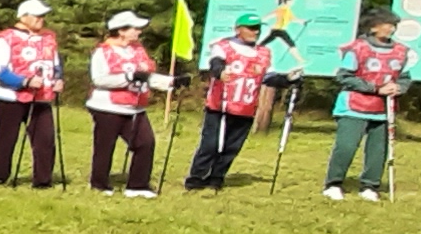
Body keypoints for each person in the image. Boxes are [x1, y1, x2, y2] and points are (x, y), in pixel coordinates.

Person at [322, 8, 410, 201]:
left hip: (383, 109)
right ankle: (334, 183)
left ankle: (370, 185)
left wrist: (399, 87)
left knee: (378, 150)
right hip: (354, 106)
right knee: (346, 146)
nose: (391, 28)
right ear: (373, 27)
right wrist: (374, 88)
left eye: (393, 25)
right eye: (386, 24)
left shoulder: (401, 51)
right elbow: (344, 76)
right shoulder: (358, 48)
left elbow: (404, 77)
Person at [184, 13, 278, 191]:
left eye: (258, 28)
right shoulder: (224, 46)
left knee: (231, 146)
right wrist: (219, 72)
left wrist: (288, 79)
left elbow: (270, 77)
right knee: (211, 144)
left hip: (246, 107)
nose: (255, 32)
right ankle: (196, 177)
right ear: (238, 29)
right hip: (221, 105)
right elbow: (215, 63)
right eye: (251, 28)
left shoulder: (263, 52)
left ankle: (217, 177)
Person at [85, 12, 166, 195]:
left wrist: (170, 83)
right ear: (121, 31)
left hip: (135, 106)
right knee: (105, 146)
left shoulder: (137, 50)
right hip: (106, 106)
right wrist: (127, 77)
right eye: (134, 28)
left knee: (145, 143)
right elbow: (99, 79)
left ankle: (138, 185)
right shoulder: (102, 52)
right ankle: (99, 184)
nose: (139, 32)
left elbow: (147, 76)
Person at [0, 0, 61, 188]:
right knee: (6, 138)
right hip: (11, 97)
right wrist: (24, 81)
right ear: (23, 17)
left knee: (45, 138)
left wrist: (58, 79)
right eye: (37, 16)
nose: (41, 20)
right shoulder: (7, 38)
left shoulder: (48, 38)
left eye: (43, 16)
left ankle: (43, 180)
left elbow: (55, 64)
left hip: (41, 97)